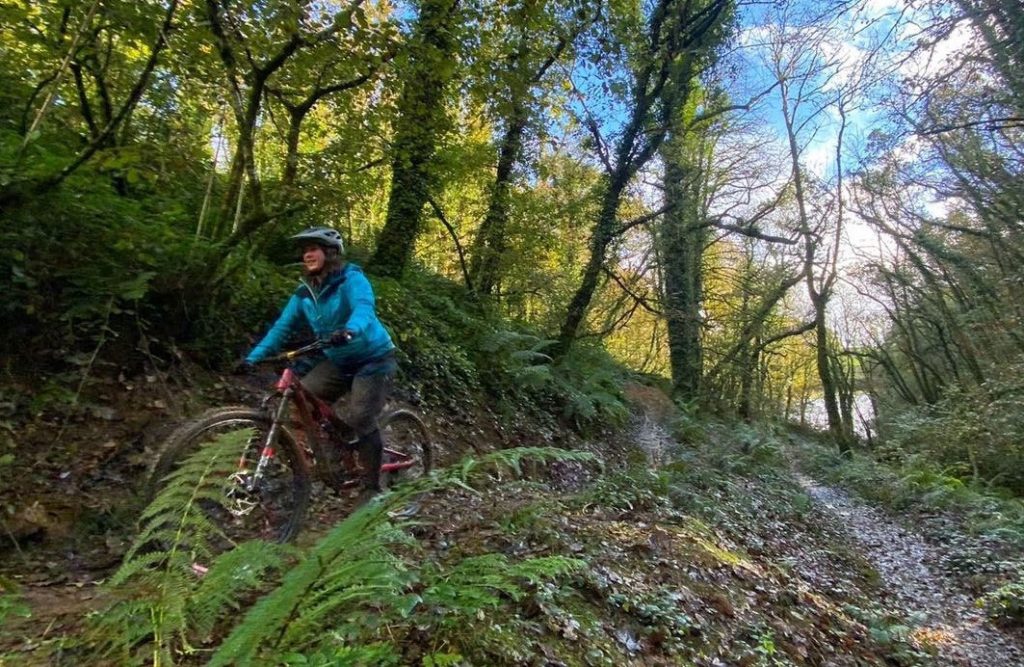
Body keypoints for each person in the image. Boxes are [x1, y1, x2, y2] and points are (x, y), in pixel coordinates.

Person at [242, 227, 396, 500]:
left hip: (373, 358)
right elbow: (282, 327)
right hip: (337, 359)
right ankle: (336, 453)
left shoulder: (351, 279)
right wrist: (252, 358)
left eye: (313, 249)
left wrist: (351, 330)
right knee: (305, 397)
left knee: (362, 416)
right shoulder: (305, 293)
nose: (307, 255)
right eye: (304, 251)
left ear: (330, 252)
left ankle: (372, 491)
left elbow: (364, 307)